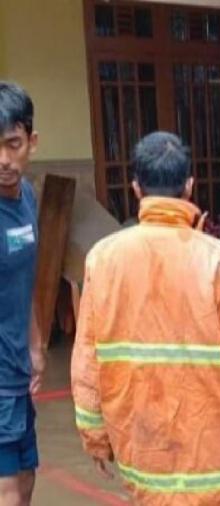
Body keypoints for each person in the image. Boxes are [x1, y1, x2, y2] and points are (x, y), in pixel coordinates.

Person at [71, 132, 220, 506]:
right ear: (190, 186)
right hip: (213, 467)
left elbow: (87, 364)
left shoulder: (102, 259)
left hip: (143, 460)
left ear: (136, 188)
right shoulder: (219, 261)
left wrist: (95, 437)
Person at [0, 82, 45, 506]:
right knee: (7, 489)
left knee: (27, 476)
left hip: (17, 369)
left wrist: (33, 344)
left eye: (13, 144)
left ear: (31, 141)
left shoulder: (27, 198)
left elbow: (24, 279)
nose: (3, 160)